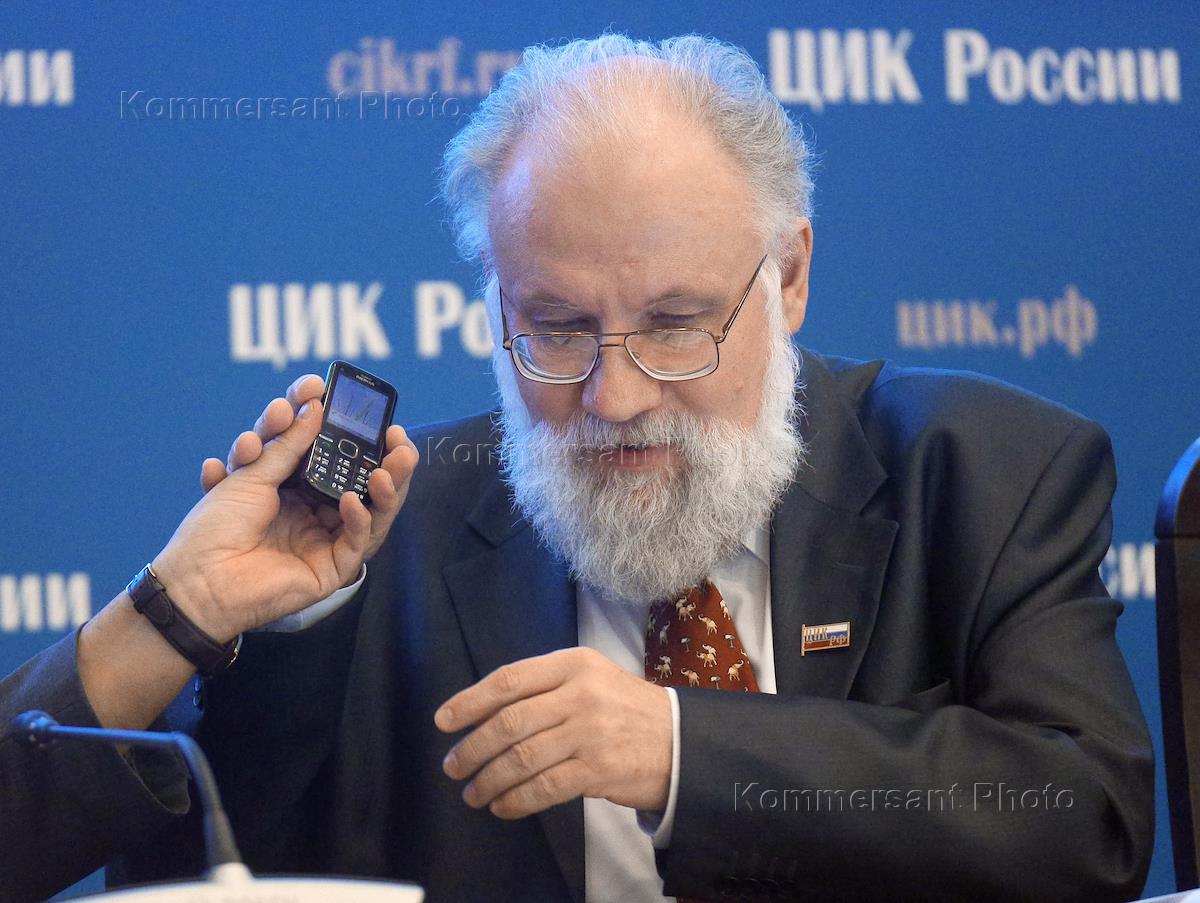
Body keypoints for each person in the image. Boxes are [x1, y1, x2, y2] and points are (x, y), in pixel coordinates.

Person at [0, 34, 1152, 903]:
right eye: (554, 329)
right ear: (496, 304)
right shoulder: (372, 539)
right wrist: (194, 614)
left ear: (790, 277)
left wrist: (683, 751)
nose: (614, 397)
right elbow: (175, 875)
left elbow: (1089, 823)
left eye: (676, 323)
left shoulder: (983, 470)